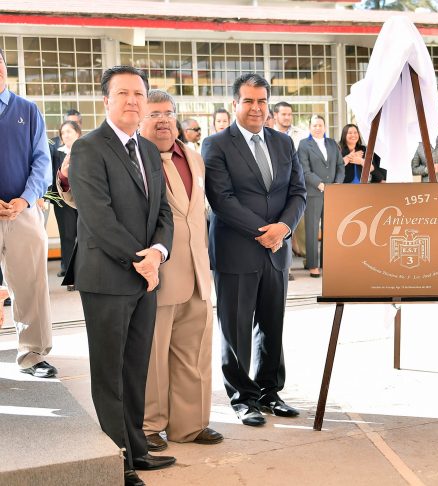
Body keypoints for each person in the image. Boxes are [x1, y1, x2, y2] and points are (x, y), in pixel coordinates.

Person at [68, 65, 176, 486]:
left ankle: (139, 448)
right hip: (108, 278)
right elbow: (98, 218)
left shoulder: (148, 149)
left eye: (139, 94)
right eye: (123, 93)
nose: (133, 100)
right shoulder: (89, 148)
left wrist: (159, 253)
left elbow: (163, 212)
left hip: (145, 277)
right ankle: (118, 460)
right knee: (109, 373)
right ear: (106, 101)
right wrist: (142, 259)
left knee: (136, 369)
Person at [202, 73, 306, 428]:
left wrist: (284, 228)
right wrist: (264, 232)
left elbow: (298, 192)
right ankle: (242, 397)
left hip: (277, 251)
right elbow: (222, 200)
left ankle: (269, 392)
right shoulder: (216, 145)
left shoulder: (283, 143)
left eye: (262, 101)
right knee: (235, 329)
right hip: (236, 250)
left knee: (272, 325)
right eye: (248, 101)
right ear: (235, 105)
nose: (256, 108)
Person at [138, 90, 223, 453]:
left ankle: (190, 426)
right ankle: (149, 425)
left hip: (198, 273)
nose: (163, 120)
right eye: (154, 113)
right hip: (158, 274)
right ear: (141, 120)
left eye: (168, 113)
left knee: (194, 353)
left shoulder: (192, 155)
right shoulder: (134, 158)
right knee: (153, 357)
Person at [0, 46, 56, 379]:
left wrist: (25, 199)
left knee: (31, 284)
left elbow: (41, 161)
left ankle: (33, 353)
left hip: (22, 210)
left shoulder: (28, 110)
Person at [298, 114, 344, 278]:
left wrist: (337, 184)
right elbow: (304, 170)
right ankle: (312, 265)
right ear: (310, 128)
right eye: (314, 125)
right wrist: (320, 184)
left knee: (329, 229)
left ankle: (327, 263)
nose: (318, 128)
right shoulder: (304, 145)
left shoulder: (332, 144)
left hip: (332, 193)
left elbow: (340, 165)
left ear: (325, 127)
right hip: (313, 193)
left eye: (320, 125)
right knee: (311, 230)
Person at [273, 101, 309, 265]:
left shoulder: (301, 134)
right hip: (277, 188)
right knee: (280, 225)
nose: (287, 117)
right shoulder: (267, 135)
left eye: (289, 114)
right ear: (275, 115)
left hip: (296, 186)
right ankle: (286, 267)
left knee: (297, 225)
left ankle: (304, 257)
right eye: (284, 114)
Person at [51, 120, 81, 281]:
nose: (66, 135)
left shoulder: (85, 150)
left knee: (83, 235)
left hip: (83, 201)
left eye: (69, 131)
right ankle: (67, 269)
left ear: (78, 133)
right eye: (63, 133)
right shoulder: (57, 152)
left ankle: (82, 269)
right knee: (67, 235)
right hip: (62, 202)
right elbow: (51, 176)